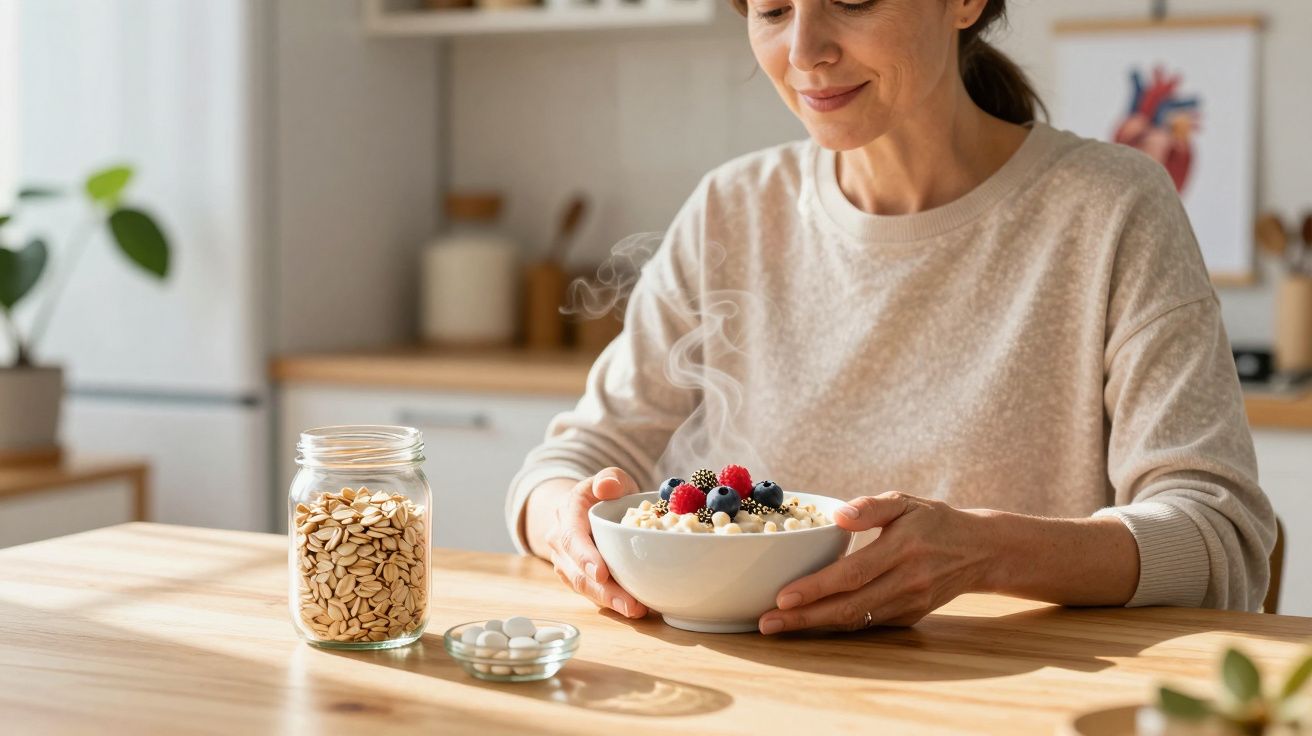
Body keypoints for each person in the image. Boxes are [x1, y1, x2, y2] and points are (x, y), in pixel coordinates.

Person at [505, 0, 1276, 633]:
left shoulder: (1111, 210)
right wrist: (567, 531)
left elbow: (1221, 539)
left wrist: (987, 552)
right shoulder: (732, 210)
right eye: (772, 9)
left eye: (852, 2)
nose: (804, 51)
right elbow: (565, 467)